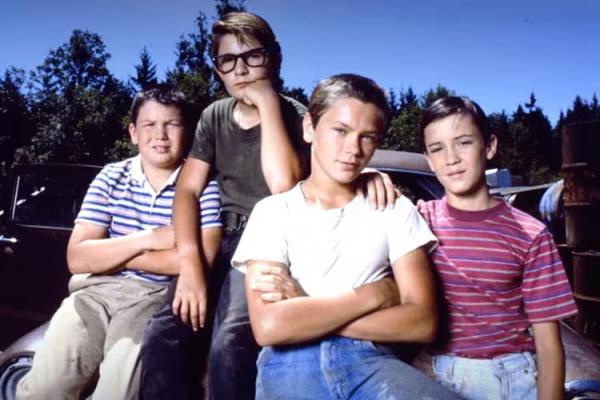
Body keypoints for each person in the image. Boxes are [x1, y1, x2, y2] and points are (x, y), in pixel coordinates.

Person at [141, 12, 396, 400]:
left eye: (253, 57)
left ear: (274, 59)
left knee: (229, 341)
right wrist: (189, 264)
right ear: (218, 69)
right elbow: (187, 191)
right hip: (219, 238)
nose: (241, 70)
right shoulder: (215, 116)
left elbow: (283, 184)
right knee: (164, 332)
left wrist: (266, 102)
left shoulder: (296, 115)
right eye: (228, 61)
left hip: (268, 244)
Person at [233, 73, 462, 399]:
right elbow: (271, 326)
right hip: (290, 364)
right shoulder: (272, 212)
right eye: (340, 131)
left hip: (372, 360)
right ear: (310, 128)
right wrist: (377, 294)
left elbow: (422, 322)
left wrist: (305, 305)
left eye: (367, 137)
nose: (353, 149)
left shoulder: (393, 207)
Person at [15, 85, 222, 400]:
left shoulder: (202, 184)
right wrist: (149, 238)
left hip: (153, 297)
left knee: (118, 390)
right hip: (94, 293)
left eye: (172, 124)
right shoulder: (111, 176)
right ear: (133, 133)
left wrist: (111, 251)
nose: (160, 135)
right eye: (149, 125)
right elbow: (78, 258)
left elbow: (193, 261)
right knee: (45, 387)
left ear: (188, 131)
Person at [416, 96, 578, 400]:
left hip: (512, 380)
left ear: (489, 146)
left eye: (464, 142)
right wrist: (374, 177)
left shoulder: (530, 234)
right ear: (428, 159)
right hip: (439, 378)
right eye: (437, 148)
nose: (451, 158)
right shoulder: (419, 220)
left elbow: (548, 345)